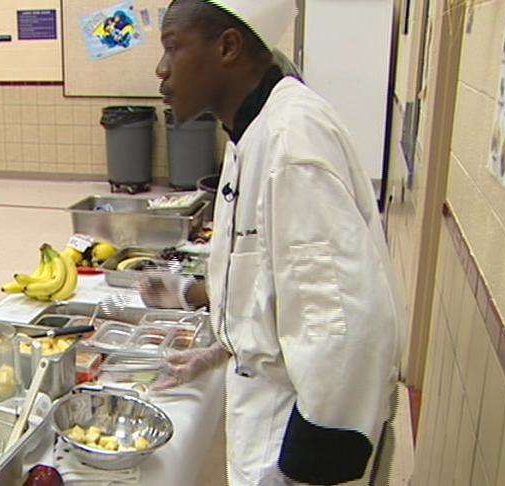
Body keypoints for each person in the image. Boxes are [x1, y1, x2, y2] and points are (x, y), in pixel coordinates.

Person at [144, 1, 402, 484]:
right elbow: (269, 281)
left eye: (173, 48)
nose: (161, 69)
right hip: (264, 410)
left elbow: (344, 327)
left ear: (227, 47)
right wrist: (222, 347)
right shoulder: (252, 132)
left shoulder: (291, 143)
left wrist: (302, 471)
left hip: (293, 434)